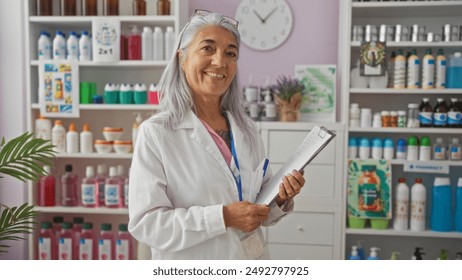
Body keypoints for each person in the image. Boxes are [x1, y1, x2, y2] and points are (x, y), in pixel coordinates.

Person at [128, 9, 305, 260]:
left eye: (230, 53)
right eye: (208, 49)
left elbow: (258, 208)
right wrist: (223, 217)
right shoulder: (157, 133)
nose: (220, 62)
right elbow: (147, 224)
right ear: (182, 58)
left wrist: (281, 198)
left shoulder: (246, 130)